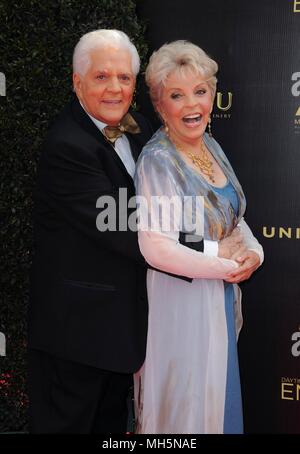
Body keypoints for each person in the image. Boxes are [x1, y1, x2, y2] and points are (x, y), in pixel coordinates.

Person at [133, 40, 264, 434]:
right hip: (180, 304)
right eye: (177, 95)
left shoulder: (211, 145)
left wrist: (254, 253)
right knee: (186, 408)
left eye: (200, 91)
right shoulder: (158, 160)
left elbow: (232, 218)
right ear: (160, 105)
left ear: (212, 95)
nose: (192, 105)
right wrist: (224, 261)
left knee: (215, 401)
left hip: (217, 296)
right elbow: (155, 244)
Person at [27, 29, 154, 433]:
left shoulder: (140, 130)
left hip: (120, 334)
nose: (115, 88)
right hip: (76, 342)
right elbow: (125, 226)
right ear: (77, 81)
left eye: (124, 77)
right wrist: (207, 248)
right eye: (101, 77)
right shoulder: (68, 145)